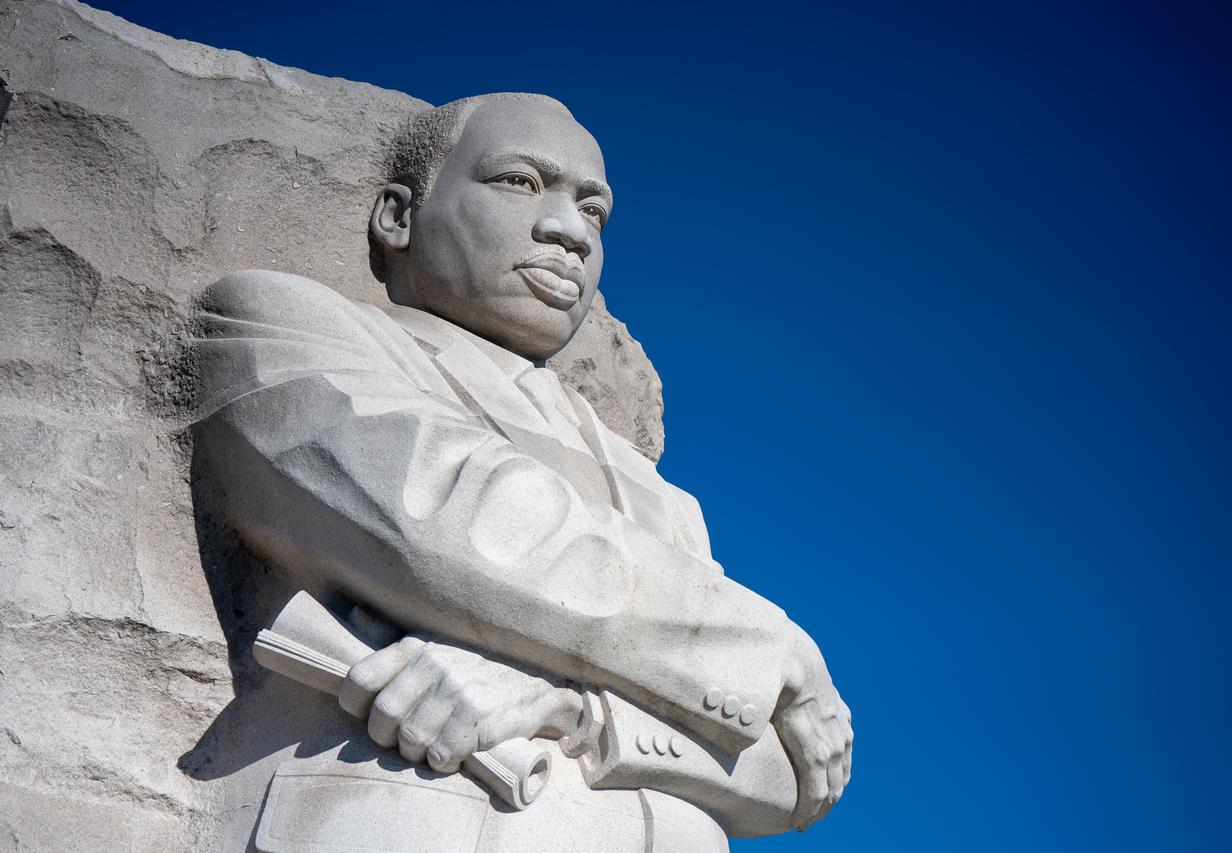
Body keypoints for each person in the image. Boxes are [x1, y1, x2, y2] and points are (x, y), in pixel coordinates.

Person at [194, 93, 852, 852]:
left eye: (594, 212)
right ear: (397, 217)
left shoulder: (666, 502)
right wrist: (781, 650)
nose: (569, 230)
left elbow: (796, 774)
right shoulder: (276, 326)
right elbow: (445, 521)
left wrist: (571, 711)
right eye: (518, 182)